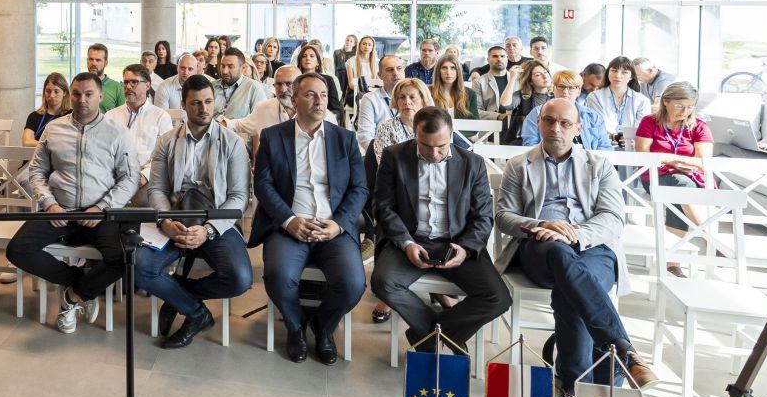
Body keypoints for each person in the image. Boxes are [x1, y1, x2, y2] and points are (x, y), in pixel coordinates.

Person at [496, 98, 656, 397]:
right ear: (538, 123)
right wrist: (542, 225)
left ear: (578, 129)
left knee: (570, 289)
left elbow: (613, 218)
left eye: (565, 123)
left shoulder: (600, 165)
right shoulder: (519, 165)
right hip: (540, 247)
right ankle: (621, 351)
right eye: (549, 121)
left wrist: (576, 236)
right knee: (559, 255)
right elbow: (503, 217)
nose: (556, 128)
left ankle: (570, 391)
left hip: (593, 246)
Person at [371, 106, 509, 355]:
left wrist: (466, 248)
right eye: (425, 146)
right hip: (411, 239)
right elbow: (383, 207)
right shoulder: (395, 156)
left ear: (452, 135)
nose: (434, 154)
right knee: (383, 282)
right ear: (415, 135)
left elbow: (482, 216)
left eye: (442, 146)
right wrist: (406, 242)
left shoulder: (472, 163)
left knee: (498, 297)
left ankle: (428, 334)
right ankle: (439, 333)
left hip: (456, 243)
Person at [8, 73, 140, 333]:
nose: (82, 100)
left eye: (89, 94)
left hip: (101, 213)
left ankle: (73, 297)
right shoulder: (54, 129)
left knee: (124, 258)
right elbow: (36, 171)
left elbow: (130, 178)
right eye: (77, 94)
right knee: (18, 250)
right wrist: (49, 203)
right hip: (60, 210)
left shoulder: (117, 133)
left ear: (100, 96)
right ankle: (81, 285)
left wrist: (101, 208)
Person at [255, 72, 367, 365]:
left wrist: (338, 224)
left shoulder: (345, 139)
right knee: (278, 276)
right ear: (294, 100)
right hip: (290, 224)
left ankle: (323, 327)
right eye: (311, 95)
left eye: (324, 95)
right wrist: (290, 221)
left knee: (353, 283)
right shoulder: (272, 136)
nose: (320, 101)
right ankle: (295, 327)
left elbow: (359, 188)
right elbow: (263, 186)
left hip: (333, 227)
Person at [140, 75, 255, 349]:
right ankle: (196, 313)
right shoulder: (167, 141)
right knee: (140, 267)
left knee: (240, 278)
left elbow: (240, 198)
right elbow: (156, 189)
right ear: (184, 105)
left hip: (215, 219)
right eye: (196, 103)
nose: (204, 109)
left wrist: (208, 229)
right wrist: (166, 220)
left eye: (208, 101)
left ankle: (178, 295)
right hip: (176, 216)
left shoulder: (233, 143)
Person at [636, 81, 713, 267]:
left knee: (679, 187)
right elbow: (642, 156)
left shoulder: (699, 126)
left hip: (691, 178)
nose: (684, 111)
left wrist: (668, 158)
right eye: (679, 105)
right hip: (655, 176)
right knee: (679, 184)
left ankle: (671, 262)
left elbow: (704, 161)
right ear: (666, 102)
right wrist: (671, 162)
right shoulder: (649, 122)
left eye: (690, 107)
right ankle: (709, 238)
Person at [115, 63, 173, 192]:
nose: (128, 86)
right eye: (125, 82)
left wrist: (143, 177)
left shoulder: (161, 117)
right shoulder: (110, 116)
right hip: (114, 180)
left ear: (148, 85)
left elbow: (164, 157)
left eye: (134, 82)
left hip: (146, 180)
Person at [520, 69, 609, 149]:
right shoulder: (537, 113)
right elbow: (530, 146)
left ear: (578, 91)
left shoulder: (593, 116)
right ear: (553, 88)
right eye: (561, 86)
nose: (565, 92)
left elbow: (605, 147)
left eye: (571, 88)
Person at [585, 55, 651, 149]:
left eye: (624, 72)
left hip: (632, 149)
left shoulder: (642, 101)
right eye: (614, 70)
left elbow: (642, 129)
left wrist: (633, 139)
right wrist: (614, 137)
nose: (618, 75)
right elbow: (596, 126)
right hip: (603, 147)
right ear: (608, 73)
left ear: (631, 76)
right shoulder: (594, 97)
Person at [353, 54, 405, 154]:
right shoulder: (370, 99)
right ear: (380, 75)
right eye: (390, 70)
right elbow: (365, 136)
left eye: (399, 68)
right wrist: (384, 157)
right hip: (380, 155)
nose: (396, 73)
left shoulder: (415, 97)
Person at [498, 58, 552, 145]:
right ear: (530, 81)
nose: (545, 76)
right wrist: (512, 79)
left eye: (545, 72)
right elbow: (505, 103)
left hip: (549, 140)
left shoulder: (556, 95)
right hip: (524, 141)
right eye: (538, 75)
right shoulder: (523, 95)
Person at [212, 46, 268, 124]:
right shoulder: (212, 87)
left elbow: (261, 121)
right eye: (223, 66)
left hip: (239, 135)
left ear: (242, 68)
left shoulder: (253, 87)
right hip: (212, 134)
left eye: (230, 67)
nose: (225, 71)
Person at [293, 42, 344, 116]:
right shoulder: (294, 80)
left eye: (311, 56)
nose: (308, 58)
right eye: (304, 56)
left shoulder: (328, 80)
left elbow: (335, 109)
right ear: (300, 61)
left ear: (318, 62)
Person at [25, 72, 69, 146]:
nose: (51, 95)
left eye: (56, 91)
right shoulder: (34, 116)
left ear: (64, 92)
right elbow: (26, 142)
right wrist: (51, 145)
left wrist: (37, 143)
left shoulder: (71, 116)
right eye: (48, 91)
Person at [468, 44, 508, 112]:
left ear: (507, 59)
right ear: (488, 60)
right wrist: (498, 116)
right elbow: (476, 110)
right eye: (495, 56)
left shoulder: (517, 80)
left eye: (502, 56)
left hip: (515, 121)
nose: (499, 59)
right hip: (490, 121)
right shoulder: (478, 82)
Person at [85, 43, 122, 112]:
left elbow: (124, 116)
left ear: (106, 63)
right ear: (87, 60)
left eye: (98, 60)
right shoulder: (78, 85)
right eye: (91, 59)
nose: (93, 63)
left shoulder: (117, 88)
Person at [345, 35, 378, 103]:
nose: (366, 47)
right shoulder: (350, 62)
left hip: (372, 93)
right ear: (359, 45)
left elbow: (378, 81)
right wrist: (364, 90)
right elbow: (351, 83)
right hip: (355, 92)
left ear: (372, 47)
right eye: (364, 44)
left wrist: (370, 91)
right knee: (367, 100)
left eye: (369, 45)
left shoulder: (376, 63)